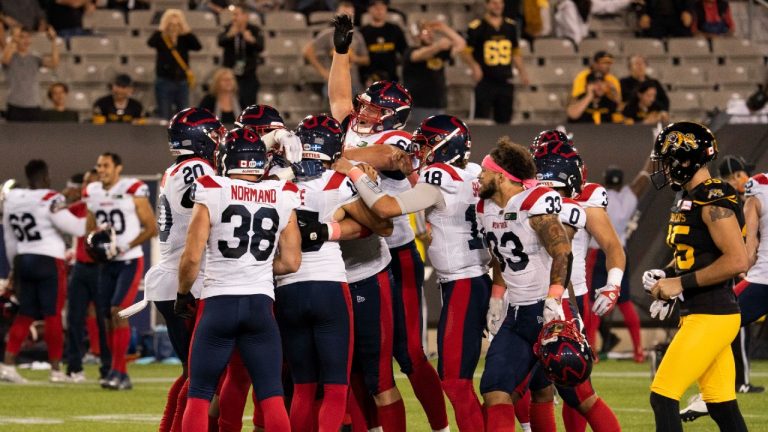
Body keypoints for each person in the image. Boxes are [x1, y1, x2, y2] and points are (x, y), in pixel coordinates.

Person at [328, 14, 449, 431]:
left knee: (410, 352)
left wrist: (338, 160)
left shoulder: (396, 140)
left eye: (373, 109)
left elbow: (390, 158)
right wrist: (341, 52)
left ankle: (440, 426)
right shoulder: (354, 128)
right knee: (361, 361)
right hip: (352, 256)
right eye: (365, 106)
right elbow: (339, 102)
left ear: (393, 116)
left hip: (395, 253)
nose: (362, 112)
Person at [335, 115, 492, 431]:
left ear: (442, 146)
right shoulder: (473, 174)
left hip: (464, 281)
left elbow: (387, 208)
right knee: (465, 379)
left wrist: (353, 171)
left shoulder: (439, 176)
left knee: (456, 382)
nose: (419, 150)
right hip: (472, 278)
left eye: (425, 144)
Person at [177, 127, 301, 431]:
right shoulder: (282, 194)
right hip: (260, 306)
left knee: (199, 394)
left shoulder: (211, 187)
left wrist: (182, 294)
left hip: (217, 303)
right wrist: (253, 267)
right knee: (271, 395)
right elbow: (291, 261)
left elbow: (192, 257)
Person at [277, 114, 394, 432]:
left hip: (285, 285)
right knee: (335, 386)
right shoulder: (337, 183)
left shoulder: (273, 181)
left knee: (302, 386)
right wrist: (361, 180)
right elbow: (383, 225)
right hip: (328, 287)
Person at [645, 121, 748, 432]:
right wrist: (666, 275)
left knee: (662, 396)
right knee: (721, 404)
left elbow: (737, 260)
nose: (665, 167)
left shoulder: (714, 197)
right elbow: (698, 258)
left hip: (713, 313)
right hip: (701, 311)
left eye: (668, 160)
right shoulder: (690, 197)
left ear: (686, 158)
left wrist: (680, 283)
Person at [475, 138, 572, 430]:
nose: (479, 177)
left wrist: (554, 297)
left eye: (484, 171)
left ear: (501, 176)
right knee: (495, 390)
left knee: (579, 396)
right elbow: (502, 255)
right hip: (516, 313)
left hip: (545, 313)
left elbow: (562, 250)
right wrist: (496, 295)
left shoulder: (534, 201)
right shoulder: (485, 207)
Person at [531, 139, 623, 432]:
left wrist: (613, 283)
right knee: (539, 387)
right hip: (530, 296)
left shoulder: (586, 200)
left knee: (577, 389)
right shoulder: (524, 197)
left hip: (570, 299)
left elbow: (612, 245)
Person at [141, 108, 224, 431]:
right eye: (214, 135)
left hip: (175, 277)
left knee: (194, 373)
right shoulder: (195, 167)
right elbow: (201, 197)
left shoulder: (178, 167)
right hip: (187, 281)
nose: (219, 141)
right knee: (202, 377)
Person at [0, 160, 86, 384]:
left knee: (25, 314)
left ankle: (8, 365)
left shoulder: (13, 198)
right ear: (46, 176)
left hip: (22, 258)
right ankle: (56, 370)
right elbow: (75, 228)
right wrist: (94, 215)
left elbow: (9, 237)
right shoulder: (50, 197)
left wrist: (14, 267)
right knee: (53, 315)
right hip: (49, 260)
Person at [83, 152, 158, 390]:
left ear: (118, 168)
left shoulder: (132, 189)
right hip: (107, 263)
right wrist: (95, 245)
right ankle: (114, 370)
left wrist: (124, 245)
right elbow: (90, 226)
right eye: (99, 165)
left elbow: (151, 228)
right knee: (106, 316)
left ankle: (121, 372)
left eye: (106, 165)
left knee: (118, 312)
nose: (101, 169)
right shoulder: (93, 191)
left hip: (129, 261)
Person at [586, 160, 652, 362]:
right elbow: (643, 178)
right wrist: (652, 158)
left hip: (598, 252)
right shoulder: (628, 197)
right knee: (625, 303)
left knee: (593, 303)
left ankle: (591, 350)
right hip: (619, 252)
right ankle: (638, 350)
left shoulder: (597, 196)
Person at [65, 169, 111, 383]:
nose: (86, 187)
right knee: (74, 318)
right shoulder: (81, 207)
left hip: (101, 268)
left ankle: (107, 368)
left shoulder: (108, 207)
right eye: (84, 183)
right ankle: (74, 366)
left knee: (104, 320)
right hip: (81, 267)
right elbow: (60, 213)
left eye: (90, 183)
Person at [461, 0, 530, 124]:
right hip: (485, 81)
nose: (498, 6)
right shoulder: (477, 26)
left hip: (505, 80)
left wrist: (522, 72)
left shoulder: (510, 26)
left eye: (500, 3)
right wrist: (474, 66)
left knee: (505, 122)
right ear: (487, 5)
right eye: (494, 3)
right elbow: (465, 52)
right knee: (481, 120)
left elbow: (515, 52)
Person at [402, 21, 466, 124]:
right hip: (419, 103)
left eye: (431, 32)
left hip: (438, 102)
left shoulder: (439, 52)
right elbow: (417, 56)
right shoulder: (410, 50)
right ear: (418, 36)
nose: (430, 35)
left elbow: (461, 44)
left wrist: (443, 28)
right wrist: (438, 46)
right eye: (426, 32)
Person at [304, 1, 369, 97]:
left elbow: (366, 60)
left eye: (350, 15)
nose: (347, 18)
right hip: (333, 83)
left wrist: (355, 58)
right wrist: (323, 72)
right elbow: (308, 51)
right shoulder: (329, 34)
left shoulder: (358, 35)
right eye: (344, 14)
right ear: (337, 15)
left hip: (353, 83)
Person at [147, 9, 202, 121]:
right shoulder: (161, 38)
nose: (174, 27)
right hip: (164, 80)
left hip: (181, 81)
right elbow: (151, 42)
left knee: (184, 116)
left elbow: (197, 46)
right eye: (171, 24)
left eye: (177, 24)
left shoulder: (184, 39)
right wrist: (162, 27)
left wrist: (185, 28)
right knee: (164, 115)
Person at [2, 26, 60, 122]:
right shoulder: (10, 56)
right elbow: (5, 60)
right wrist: (13, 40)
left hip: (34, 104)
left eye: (27, 37)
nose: (25, 40)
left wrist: (53, 41)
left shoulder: (35, 57)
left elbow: (54, 63)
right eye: (21, 37)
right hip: (15, 104)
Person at [218, 2, 264, 108]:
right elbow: (220, 42)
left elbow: (261, 47)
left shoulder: (254, 29)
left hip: (248, 74)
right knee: (232, 104)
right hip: (231, 74)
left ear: (245, 16)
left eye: (236, 14)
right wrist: (230, 35)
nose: (234, 18)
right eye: (233, 14)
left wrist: (251, 40)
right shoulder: (228, 28)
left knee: (249, 106)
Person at [359, 0, 408, 83]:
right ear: (369, 9)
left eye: (382, 7)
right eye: (376, 7)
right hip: (369, 79)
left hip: (392, 78)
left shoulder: (395, 29)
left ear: (386, 8)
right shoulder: (362, 32)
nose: (379, 10)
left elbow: (405, 53)